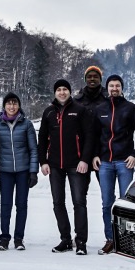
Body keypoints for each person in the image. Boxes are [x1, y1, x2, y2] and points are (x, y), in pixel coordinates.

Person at [38, 79, 97, 255]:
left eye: (65, 89)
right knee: (58, 202)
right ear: (55, 93)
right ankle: (65, 239)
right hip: (55, 165)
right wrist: (43, 161)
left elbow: (89, 137)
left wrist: (85, 160)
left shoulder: (80, 110)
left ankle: (80, 242)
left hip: (76, 164)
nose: (62, 92)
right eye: (59, 90)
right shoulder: (48, 112)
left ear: (69, 92)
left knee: (79, 202)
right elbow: (42, 139)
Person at [91, 74, 135, 255]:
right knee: (107, 203)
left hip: (124, 162)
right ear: (107, 88)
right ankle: (110, 239)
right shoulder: (100, 108)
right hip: (105, 163)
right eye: (111, 86)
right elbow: (94, 135)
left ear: (122, 88)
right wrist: (94, 155)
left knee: (126, 204)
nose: (114, 89)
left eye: (117, 86)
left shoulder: (131, 108)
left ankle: (127, 240)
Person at [0, 92, 38, 251]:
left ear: (19, 106)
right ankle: (4, 238)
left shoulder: (27, 124)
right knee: (5, 205)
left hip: (23, 171)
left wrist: (33, 172)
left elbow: (33, 150)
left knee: (21, 205)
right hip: (5, 171)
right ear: (4, 106)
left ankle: (18, 238)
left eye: (14, 103)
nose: (12, 106)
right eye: (9, 103)